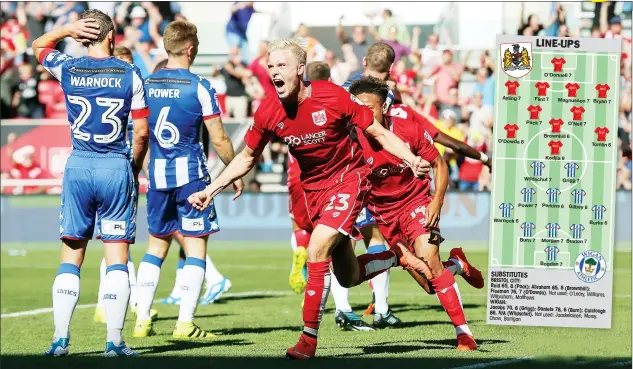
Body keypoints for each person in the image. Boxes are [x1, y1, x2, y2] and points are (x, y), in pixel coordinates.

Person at [187, 37, 432, 359]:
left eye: (281, 65)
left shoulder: (332, 96)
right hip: (313, 191)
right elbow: (247, 157)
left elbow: (379, 132)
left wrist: (410, 159)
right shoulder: (269, 111)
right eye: (270, 66)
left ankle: (308, 340)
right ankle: (394, 257)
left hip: (349, 180)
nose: (274, 71)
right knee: (349, 275)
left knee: (316, 249)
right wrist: (211, 189)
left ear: (300, 69)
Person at [34, 10, 150, 356]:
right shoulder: (130, 72)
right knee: (117, 258)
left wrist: (66, 29)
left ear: (84, 36)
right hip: (115, 165)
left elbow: (38, 45)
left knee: (71, 256)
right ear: (112, 37)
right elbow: (142, 132)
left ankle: (60, 340)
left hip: (79, 164)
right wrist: (133, 168)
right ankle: (114, 342)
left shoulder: (68, 68)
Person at [133, 20, 243, 340]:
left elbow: (139, 133)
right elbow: (219, 138)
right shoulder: (199, 85)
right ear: (191, 50)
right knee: (195, 248)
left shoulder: (144, 83)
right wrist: (234, 170)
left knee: (155, 247)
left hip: (156, 177)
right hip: (191, 178)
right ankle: (184, 324)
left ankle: (141, 320)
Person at [349, 76, 477, 351]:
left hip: (416, 203)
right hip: (384, 216)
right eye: (357, 107)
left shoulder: (409, 129)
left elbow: (439, 164)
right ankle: (457, 264)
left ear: (384, 107)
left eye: (368, 107)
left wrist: (436, 202)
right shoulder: (353, 140)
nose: (362, 113)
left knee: (429, 259)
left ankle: (464, 334)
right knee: (431, 285)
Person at [93, 45, 157, 325]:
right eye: (124, 62)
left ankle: (103, 303)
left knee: (114, 241)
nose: (130, 69)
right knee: (118, 241)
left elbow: (143, 138)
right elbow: (140, 137)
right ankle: (125, 302)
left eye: (132, 63)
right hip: (118, 169)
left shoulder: (135, 89)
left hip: (117, 169)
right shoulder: (120, 92)